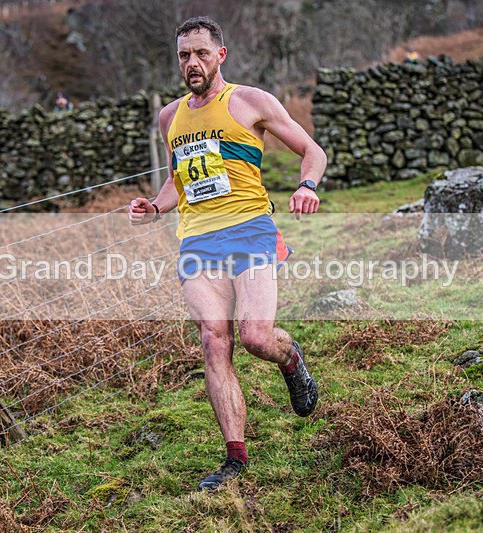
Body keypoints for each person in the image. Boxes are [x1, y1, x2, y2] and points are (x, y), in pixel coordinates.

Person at [128, 16, 327, 491]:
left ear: (220, 55)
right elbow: (180, 180)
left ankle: (290, 359)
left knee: (256, 336)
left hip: (250, 230)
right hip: (197, 240)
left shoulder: (251, 101)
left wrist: (306, 185)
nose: (191, 63)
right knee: (214, 342)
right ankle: (234, 459)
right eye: (183, 55)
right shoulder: (169, 116)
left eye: (200, 53)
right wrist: (156, 205)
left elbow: (311, 150)